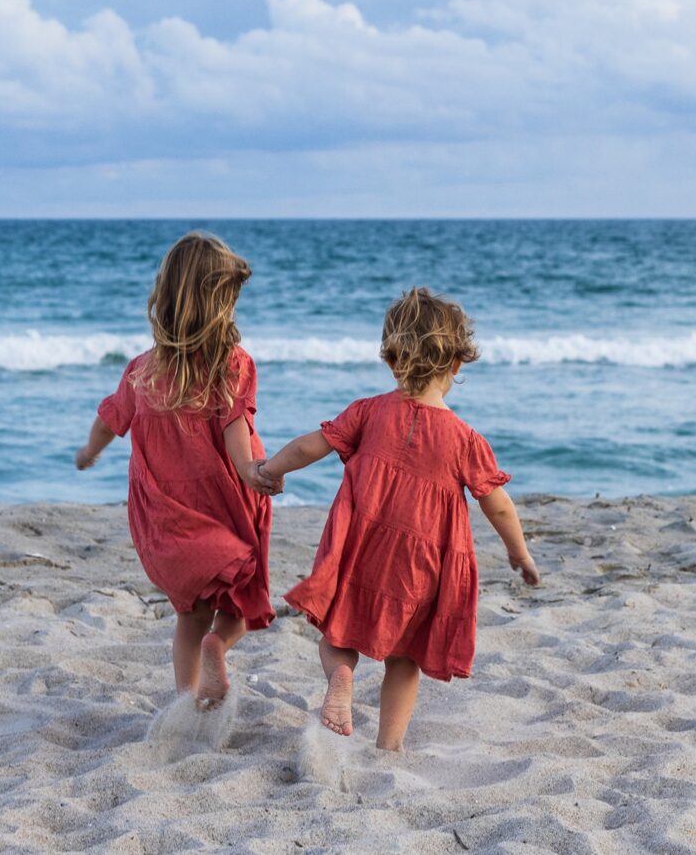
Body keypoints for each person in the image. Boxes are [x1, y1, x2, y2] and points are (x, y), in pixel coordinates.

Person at [255, 287, 539, 750]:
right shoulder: (466, 440)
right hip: (420, 567)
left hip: (361, 548)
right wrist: (519, 553)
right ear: (456, 365)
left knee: (337, 634)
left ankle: (341, 676)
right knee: (404, 658)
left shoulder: (367, 411)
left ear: (391, 360)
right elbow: (498, 503)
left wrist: (268, 470)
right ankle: (388, 747)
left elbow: (311, 445)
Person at [75, 232, 277, 710]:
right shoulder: (233, 364)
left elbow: (109, 420)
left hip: (168, 515)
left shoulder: (142, 371)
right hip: (226, 504)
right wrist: (250, 470)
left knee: (191, 614)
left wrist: (89, 450)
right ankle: (218, 647)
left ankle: (188, 703)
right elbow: (235, 428)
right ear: (219, 304)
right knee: (244, 596)